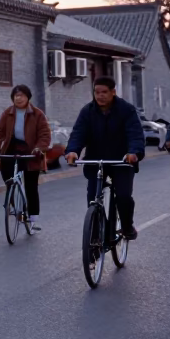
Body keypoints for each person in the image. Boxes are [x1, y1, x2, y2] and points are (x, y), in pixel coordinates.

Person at [64, 76, 147, 240]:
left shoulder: (126, 110)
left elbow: (135, 134)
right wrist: (73, 151)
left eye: (104, 92)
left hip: (122, 161)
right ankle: (94, 240)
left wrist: (134, 153)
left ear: (113, 92)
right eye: (97, 92)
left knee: (123, 196)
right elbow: (78, 134)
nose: (100, 96)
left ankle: (126, 225)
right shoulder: (87, 111)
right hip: (96, 160)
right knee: (93, 198)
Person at [0, 84, 52, 231]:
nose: (18, 98)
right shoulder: (8, 113)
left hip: (31, 151)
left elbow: (45, 135)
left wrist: (39, 148)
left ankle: (33, 218)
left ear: (28, 97)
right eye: (16, 96)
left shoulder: (37, 114)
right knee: (9, 181)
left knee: (31, 186)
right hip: (11, 149)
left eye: (21, 95)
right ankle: (19, 210)